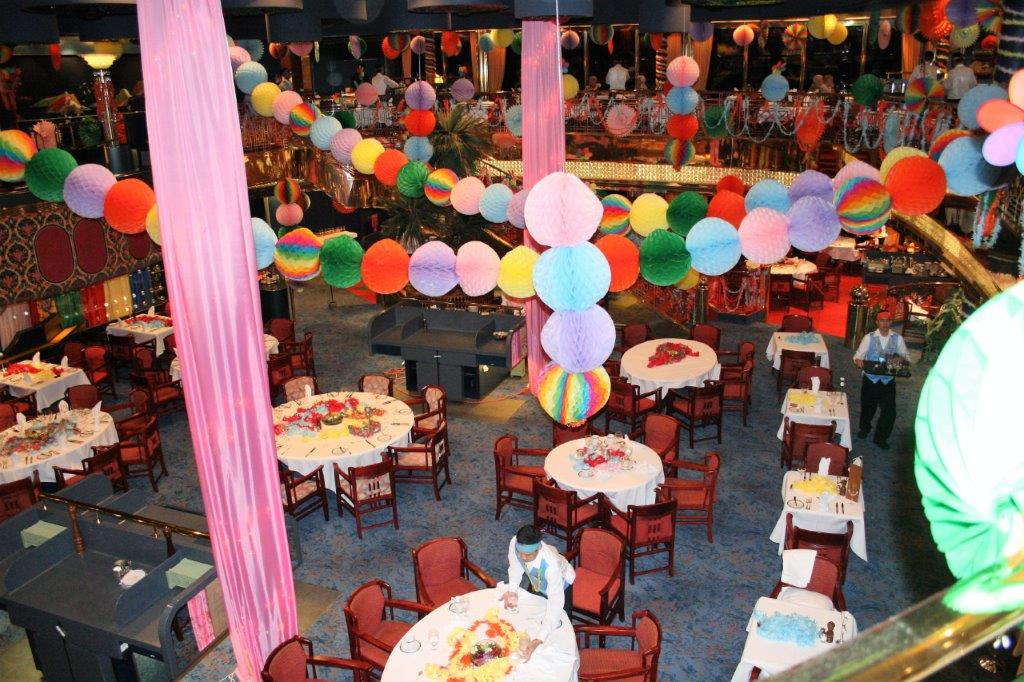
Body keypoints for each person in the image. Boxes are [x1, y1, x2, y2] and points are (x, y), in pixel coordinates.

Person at [502, 525, 575, 662]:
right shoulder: (515, 543)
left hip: (561, 585)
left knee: (558, 628)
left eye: (528, 554)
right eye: (520, 552)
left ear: (539, 548)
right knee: (531, 617)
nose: (523, 557)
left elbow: (555, 604)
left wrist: (538, 640)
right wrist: (512, 590)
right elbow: (516, 566)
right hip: (537, 579)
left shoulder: (552, 566)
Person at [853, 311, 910, 450]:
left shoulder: (898, 338)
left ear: (891, 322)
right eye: (882, 320)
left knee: (890, 412)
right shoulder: (869, 338)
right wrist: (858, 361)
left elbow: (906, 357)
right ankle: (865, 428)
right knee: (868, 408)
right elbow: (857, 356)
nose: (884, 323)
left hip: (888, 381)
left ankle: (881, 438)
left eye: (887, 320)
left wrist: (900, 358)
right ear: (877, 322)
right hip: (870, 379)